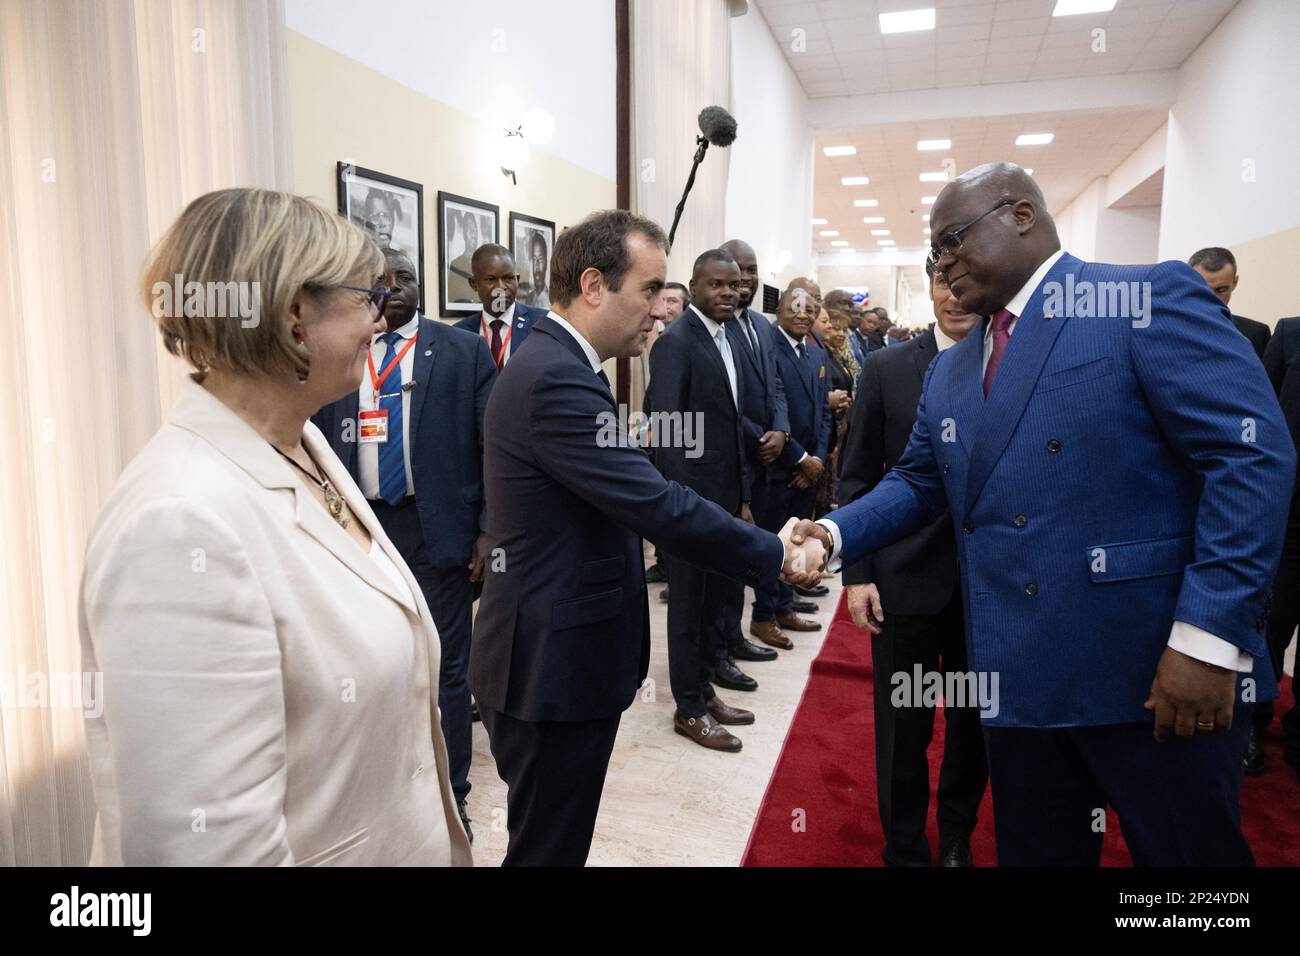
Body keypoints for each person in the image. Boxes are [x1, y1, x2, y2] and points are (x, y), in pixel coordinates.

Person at [798, 162, 1294, 866]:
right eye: (935, 252)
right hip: (1020, 678)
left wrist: (1208, 639)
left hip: (1154, 671)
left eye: (953, 240)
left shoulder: (1144, 298)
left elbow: (1250, 458)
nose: (942, 263)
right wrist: (833, 532)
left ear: (1021, 215)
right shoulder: (952, 368)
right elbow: (917, 482)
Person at [79, 187, 472, 865]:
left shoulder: (302, 444)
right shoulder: (179, 525)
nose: (380, 321)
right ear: (296, 315)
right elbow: (211, 847)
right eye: (366, 299)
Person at [467, 209, 824, 866]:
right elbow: (661, 505)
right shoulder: (555, 379)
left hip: (559, 658)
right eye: (650, 289)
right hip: (549, 669)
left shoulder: (563, 365)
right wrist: (776, 552)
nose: (662, 311)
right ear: (595, 285)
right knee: (547, 850)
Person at [312, 246, 496, 843]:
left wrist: (487, 527)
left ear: (423, 284)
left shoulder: (463, 351)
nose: (392, 287)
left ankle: (454, 797)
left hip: (436, 529)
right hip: (355, 525)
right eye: (379, 280)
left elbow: (493, 447)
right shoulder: (342, 346)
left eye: (404, 277)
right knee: (363, 666)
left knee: (445, 671)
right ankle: (381, 792)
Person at [837, 258, 988, 867]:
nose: (954, 298)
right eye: (940, 284)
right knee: (904, 729)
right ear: (927, 290)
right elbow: (858, 478)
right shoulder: (887, 366)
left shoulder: (1013, 360)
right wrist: (858, 575)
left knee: (975, 723)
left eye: (965, 285)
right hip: (904, 582)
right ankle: (903, 846)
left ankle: (956, 834)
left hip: (987, 588)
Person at [647, 249, 761, 747]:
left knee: (715, 599)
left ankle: (704, 688)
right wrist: (683, 508)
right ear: (693, 286)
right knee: (688, 608)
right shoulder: (675, 342)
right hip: (691, 504)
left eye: (733, 286)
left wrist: (740, 495)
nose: (727, 294)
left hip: (722, 499)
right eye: (715, 285)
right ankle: (688, 708)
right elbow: (669, 429)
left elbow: (729, 422)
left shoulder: (726, 336)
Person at [748, 284, 833, 652]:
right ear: (779, 308)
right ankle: (763, 615)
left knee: (797, 544)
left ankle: (785, 606)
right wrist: (799, 458)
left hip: (807, 469)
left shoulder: (816, 354)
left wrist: (816, 459)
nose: (802, 313)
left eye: (810, 307)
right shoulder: (768, 349)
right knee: (774, 546)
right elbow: (767, 412)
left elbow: (824, 414)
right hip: (779, 469)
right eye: (794, 306)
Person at [718, 238, 789, 665]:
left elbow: (776, 385)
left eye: (752, 268)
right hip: (737, 459)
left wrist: (780, 429)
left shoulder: (764, 326)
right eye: (738, 269)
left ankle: (749, 628)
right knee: (728, 563)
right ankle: (724, 643)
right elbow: (723, 402)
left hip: (767, 461)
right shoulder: (718, 325)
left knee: (759, 548)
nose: (746, 277)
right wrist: (757, 437)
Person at [1260, 316, 1300, 780]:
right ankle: (1254, 720)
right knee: (1271, 624)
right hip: (1290, 519)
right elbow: (1261, 418)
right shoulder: (1289, 334)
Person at [454, 243, 546, 371]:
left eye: (508, 278)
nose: (501, 287)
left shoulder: (542, 324)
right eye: (491, 280)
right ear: (474, 283)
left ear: (517, 280)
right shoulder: (458, 334)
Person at [813, 305, 857, 515]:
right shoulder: (822, 355)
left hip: (839, 427)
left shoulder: (837, 355)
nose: (836, 332)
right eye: (829, 326)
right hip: (827, 429)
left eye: (842, 330)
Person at [1189, 247, 1271, 358]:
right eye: (1204, 289)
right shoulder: (1167, 328)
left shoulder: (1257, 334)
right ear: (1188, 284)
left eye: (1221, 290)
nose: (1212, 298)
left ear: (1235, 282)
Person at [518, 229, 551, 309]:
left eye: (540, 259)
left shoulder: (553, 299)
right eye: (534, 259)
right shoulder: (528, 298)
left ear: (546, 263)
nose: (536, 266)